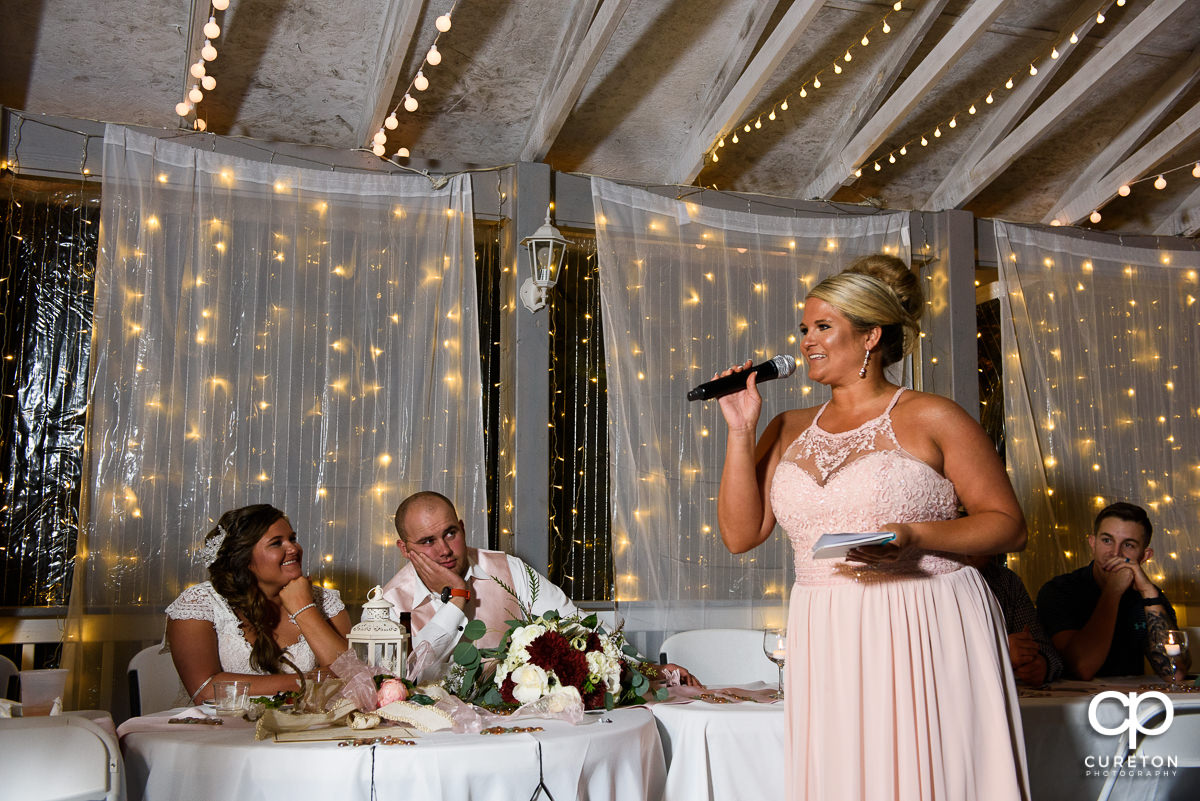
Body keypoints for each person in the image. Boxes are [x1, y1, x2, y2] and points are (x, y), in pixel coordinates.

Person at [714, 254, 1029, 800]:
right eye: (804, 329)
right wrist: (741, 430)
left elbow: (1008, 526)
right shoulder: (788, 427)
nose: (807, 340)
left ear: (870, 336)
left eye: (822, 327)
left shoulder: (933, 416)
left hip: (920, 616)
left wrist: (916, 535)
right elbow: (740, 535)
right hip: (825, 624)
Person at [381, 491, 697, 684]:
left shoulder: (506, 569)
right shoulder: (391, 604)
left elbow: (578, 627)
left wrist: (647, 669)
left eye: (450, 533)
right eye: (427, 542)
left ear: (462, 528)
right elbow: (402, 684)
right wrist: (457, 599)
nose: (444, 550)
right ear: (405, 549)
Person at [166, 504, 352, 703]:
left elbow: (352, 677)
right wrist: (308, 680)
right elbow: (205, 690)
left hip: (305, 728)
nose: (293, 548)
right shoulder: (199, 603)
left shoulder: (325, 600)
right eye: (276, 543)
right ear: (243, 558)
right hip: (217, 727)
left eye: (292, 539)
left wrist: (304, 609)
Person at [1036, 502, 1187, 681]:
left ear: (1144, 556)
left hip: (1131, 703)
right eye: (1107, 540)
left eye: (1128, 545)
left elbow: (1174, 673)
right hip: (1068, 703)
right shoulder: (1059, 590)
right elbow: (1080, 668)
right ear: (1093, 543)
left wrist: (1148, 593)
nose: (1115, 553)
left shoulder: (1149, 595)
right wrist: (1113, 591)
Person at [964, 554, 1063, 686]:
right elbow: (935, 662)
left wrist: (1041, 664)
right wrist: (999, 653)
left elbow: (1042, 646)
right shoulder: (930, 583)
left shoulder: (1007, 582)